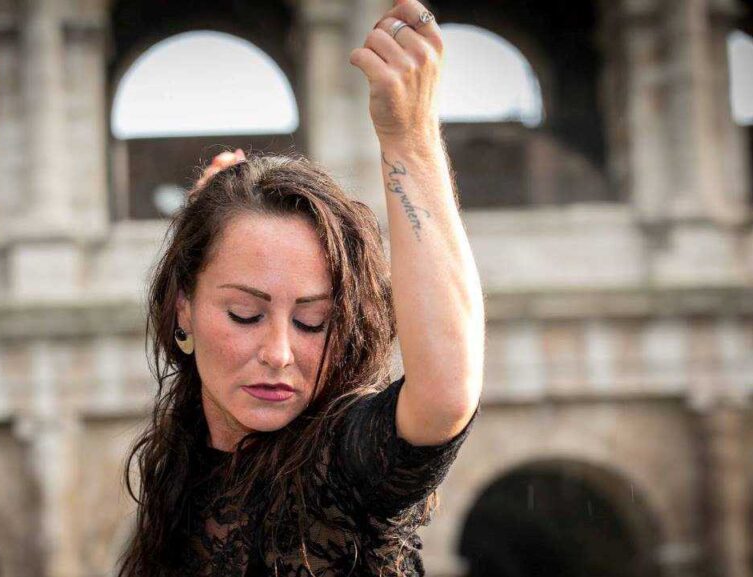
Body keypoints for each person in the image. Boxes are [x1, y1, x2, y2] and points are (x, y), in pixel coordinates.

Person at [116, 1, 485, 575]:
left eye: (313, 321)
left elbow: (444, 395)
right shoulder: (180, 464)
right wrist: (217, 223)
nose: (279, 353)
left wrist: (408, 140)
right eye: (244, 313)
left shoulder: (343, 465)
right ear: (182, 310)